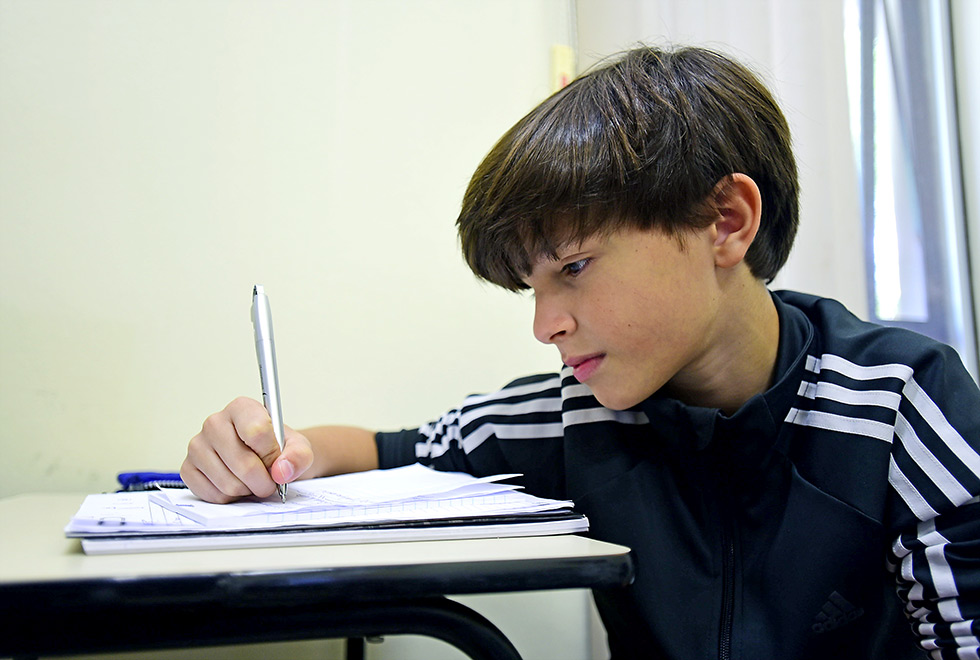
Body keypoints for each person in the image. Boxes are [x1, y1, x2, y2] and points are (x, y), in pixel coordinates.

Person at [181, 46, 980, 659]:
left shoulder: (902, 405)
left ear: (726, 222)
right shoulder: (575, 416)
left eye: (573, 267)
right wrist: (277, 452)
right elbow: (397, 453)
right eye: (532, 287)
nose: (545, 325)